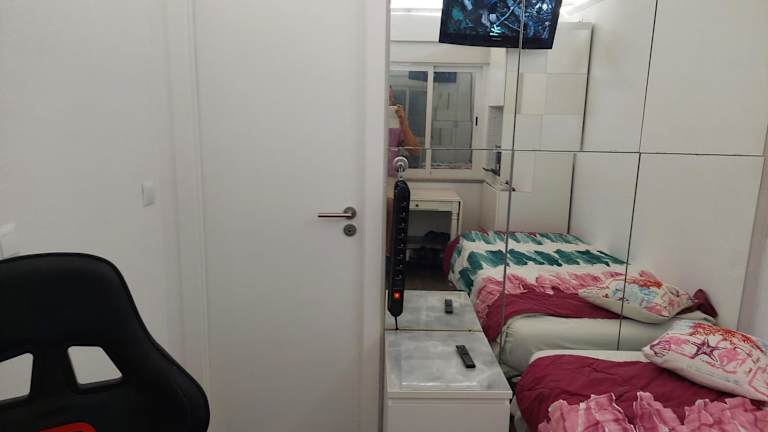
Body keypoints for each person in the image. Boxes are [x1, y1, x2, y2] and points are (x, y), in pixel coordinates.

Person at [387, 88, 421, 257]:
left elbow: (415, 151)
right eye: (387, 97)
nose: (390, 101)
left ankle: (386, 257)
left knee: (390, 206)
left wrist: (403, 124)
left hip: (387, 178)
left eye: (391, 98)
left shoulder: (395, 124)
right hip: (363, 177)